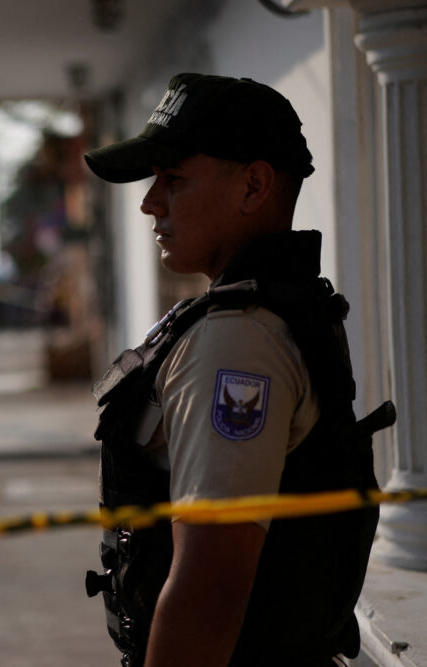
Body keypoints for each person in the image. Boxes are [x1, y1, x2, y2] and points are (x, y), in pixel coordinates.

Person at [82, 73, 394, 667]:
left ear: (254, 185)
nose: (150, 202)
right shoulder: (260, 313)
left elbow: (210, 588)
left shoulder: (237, 339)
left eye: (173, 179)